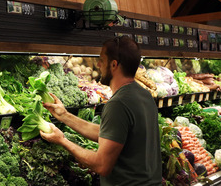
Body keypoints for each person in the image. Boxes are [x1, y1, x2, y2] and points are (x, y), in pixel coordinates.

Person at [40, 35, 162, 185]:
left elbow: (101, 165)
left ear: (114, 65)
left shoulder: (118, 104)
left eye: (102, 60)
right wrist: (64, 115)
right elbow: (112, 134)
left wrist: (62, 141)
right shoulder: (143, 95)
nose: (98, 64)